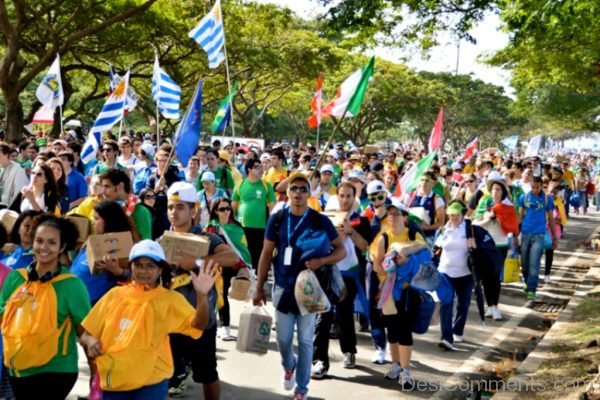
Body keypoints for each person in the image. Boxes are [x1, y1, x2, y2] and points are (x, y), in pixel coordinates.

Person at [79, 240, 218, 400]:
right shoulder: (114, 295)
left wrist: (202, 295)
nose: (143, 271)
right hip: (114, 380)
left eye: (150, 266)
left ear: (160, 270)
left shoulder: (170, 299)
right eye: (138, 265)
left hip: (152, 383)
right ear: (130, 267)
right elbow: (85, 334)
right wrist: (90, 341)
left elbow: (199, 325)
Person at [253, 172, 346, 400]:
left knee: (305, 340)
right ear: (287, 192)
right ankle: (288, 365)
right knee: (284, 340)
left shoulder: (319, 219)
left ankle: (302, 389)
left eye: (303, 189)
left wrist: (322, 261)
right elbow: (266, 253)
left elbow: (341, 250)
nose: (298, 193)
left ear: (309, 193)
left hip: (310, 289)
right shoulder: (277, 219)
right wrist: (258, 286)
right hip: (283, 288)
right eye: (294, 188)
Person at [0, 215, 90, 398]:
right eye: (39, 241)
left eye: (51, 242)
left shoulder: (72, 285)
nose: (44, 248)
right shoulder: (15, 278)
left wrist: (95, 370)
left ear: (62, 247)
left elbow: (86, 329)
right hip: (19, 368)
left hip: (56, 369)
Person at [165, 182, 238, 399]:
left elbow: (231, 257)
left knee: (207, 375)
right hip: (168, 321)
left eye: (179, 207)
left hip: (200, 320)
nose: (173, 213)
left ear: (193, 210)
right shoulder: (161, 241)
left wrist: (196, 261)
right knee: (163, 375)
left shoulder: (207, 238)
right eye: (170, 207)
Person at [311, 182, 371, 378]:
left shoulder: (361, 221)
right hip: (327, 272)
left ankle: (349, 351)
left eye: (349, 196)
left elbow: (364, 247)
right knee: (323, 316)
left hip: (348, 274)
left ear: (354, 198)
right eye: (342, 195)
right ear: (337, 197)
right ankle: (319, 360)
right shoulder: (325, 219)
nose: (345, 199)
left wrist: (350, 231)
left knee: (345, 315)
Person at [372, 200, 428, 389]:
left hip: (409, 292)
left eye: (396, 213)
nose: (392, 217)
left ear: (405, 217)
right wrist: (389, 274)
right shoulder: (383, 238)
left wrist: (404, 254)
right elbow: (376, 265)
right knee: (392, 331)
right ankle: (396, 365)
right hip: (389, 293)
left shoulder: (414, 235)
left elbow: (426, 256)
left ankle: (406, 371)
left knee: (404, 331)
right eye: (390, 213)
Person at [70, 201, 135, 304]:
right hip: (72, 298)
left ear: (109, 221)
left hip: (93, 303)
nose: (92, 222)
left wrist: (117, 270)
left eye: (97, 219)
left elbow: (133, 276)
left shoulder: (121, 246)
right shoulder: (92, 242)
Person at [206, 197, 252, 341]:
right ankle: (223, 327)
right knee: (219, 295)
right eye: (222, 209)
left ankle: (224, 327)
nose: (226, 212)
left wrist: (244, 266)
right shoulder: (210, 228)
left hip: (235, 265)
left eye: (228, 208)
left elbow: (243, 249)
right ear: (215, 211)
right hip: (217, 267)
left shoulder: (237, 228)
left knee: (226, 295)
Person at [473, 178, 519, 320]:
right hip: (486, 244)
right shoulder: (484, 204)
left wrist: (499, 219)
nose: (495, 192)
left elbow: (513, 226)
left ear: (503, 192)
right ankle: (489, 306)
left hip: (501, 245)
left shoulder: (508, 206)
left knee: (495, 276)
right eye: (493, 189)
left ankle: (496, 306)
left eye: (498, 189)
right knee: (486, 278)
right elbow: (476, 223)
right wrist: (487, 219)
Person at [436, 200, 476, 351]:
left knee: (463, 303)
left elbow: (477, 251)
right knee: (446, 303)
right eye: (451, 215)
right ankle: (446, 337)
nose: (453, 218)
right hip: (445, 271)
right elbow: (437, 248)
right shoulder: (443, 230)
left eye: (456, 215)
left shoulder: (469, 228)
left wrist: (474, 245)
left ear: (463, 214)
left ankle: (458, 330)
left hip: (465, 274)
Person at [231, 158, 276, 269]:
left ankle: (257, 277)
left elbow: (273, 206)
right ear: (249, 169)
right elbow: (233, 205)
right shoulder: (240, 185)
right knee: (244, 252)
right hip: (242, 226)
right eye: (257, 167)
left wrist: (272, 224)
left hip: (260, 227)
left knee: (258, 254)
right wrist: (231, 222)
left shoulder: (267, 186)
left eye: (261, 167)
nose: (261, 169)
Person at [519, 176, 557, 301]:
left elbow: (551, 218)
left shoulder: (547, 199)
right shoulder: (524, 197)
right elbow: (520, 217)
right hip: (525, 233)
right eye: (533, 187)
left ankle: (532, 289)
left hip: (539, 235)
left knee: (534, 263)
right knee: (524, 263)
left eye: (537, 187)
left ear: (541, 186)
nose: (535, 190)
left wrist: (554, 236)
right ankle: (526, 280)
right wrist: (515, 235)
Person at [100, 169, 152, 240]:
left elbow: (144, 244)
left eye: (107, 187)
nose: (103, 191)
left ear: (120, 186)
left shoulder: (141, 211)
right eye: (102, 187)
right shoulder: (107, 209)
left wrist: (130, 221)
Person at [0, 143, 29, 210]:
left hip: (12, 207)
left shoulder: (18, 170)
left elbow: (19, 193)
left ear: (7, 155)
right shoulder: (1, 168)